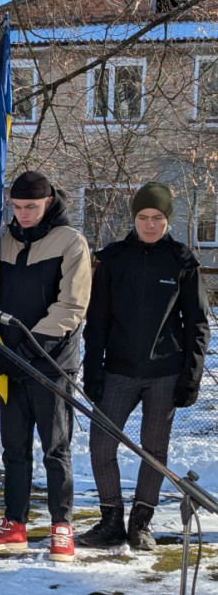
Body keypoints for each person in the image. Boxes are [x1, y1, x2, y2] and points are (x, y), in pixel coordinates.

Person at [80, 182, 210, 550]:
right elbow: (97, 322)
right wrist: (93, 370)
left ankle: (141, 521)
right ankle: (110, 519)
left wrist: (191, 377)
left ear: (167, 220)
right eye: (142, 217)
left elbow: (198, 324)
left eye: (157, 218)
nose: (150, 225)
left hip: (165, 374)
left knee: (154, 451)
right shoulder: (112, 259)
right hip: (118, 370)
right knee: (101, 445)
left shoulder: (182, 261)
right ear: (133, 218)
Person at [0, 170, 91, 562]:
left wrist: (28, 350)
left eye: (32, 207)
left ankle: (62, 524)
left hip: (51, 362)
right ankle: (15, 523)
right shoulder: (1, 243)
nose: (23, 214)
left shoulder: (71, 242)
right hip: (8, 360)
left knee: (55, 446)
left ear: (49, 202)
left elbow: (71, 306)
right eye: (18, 207)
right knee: (14, 447)